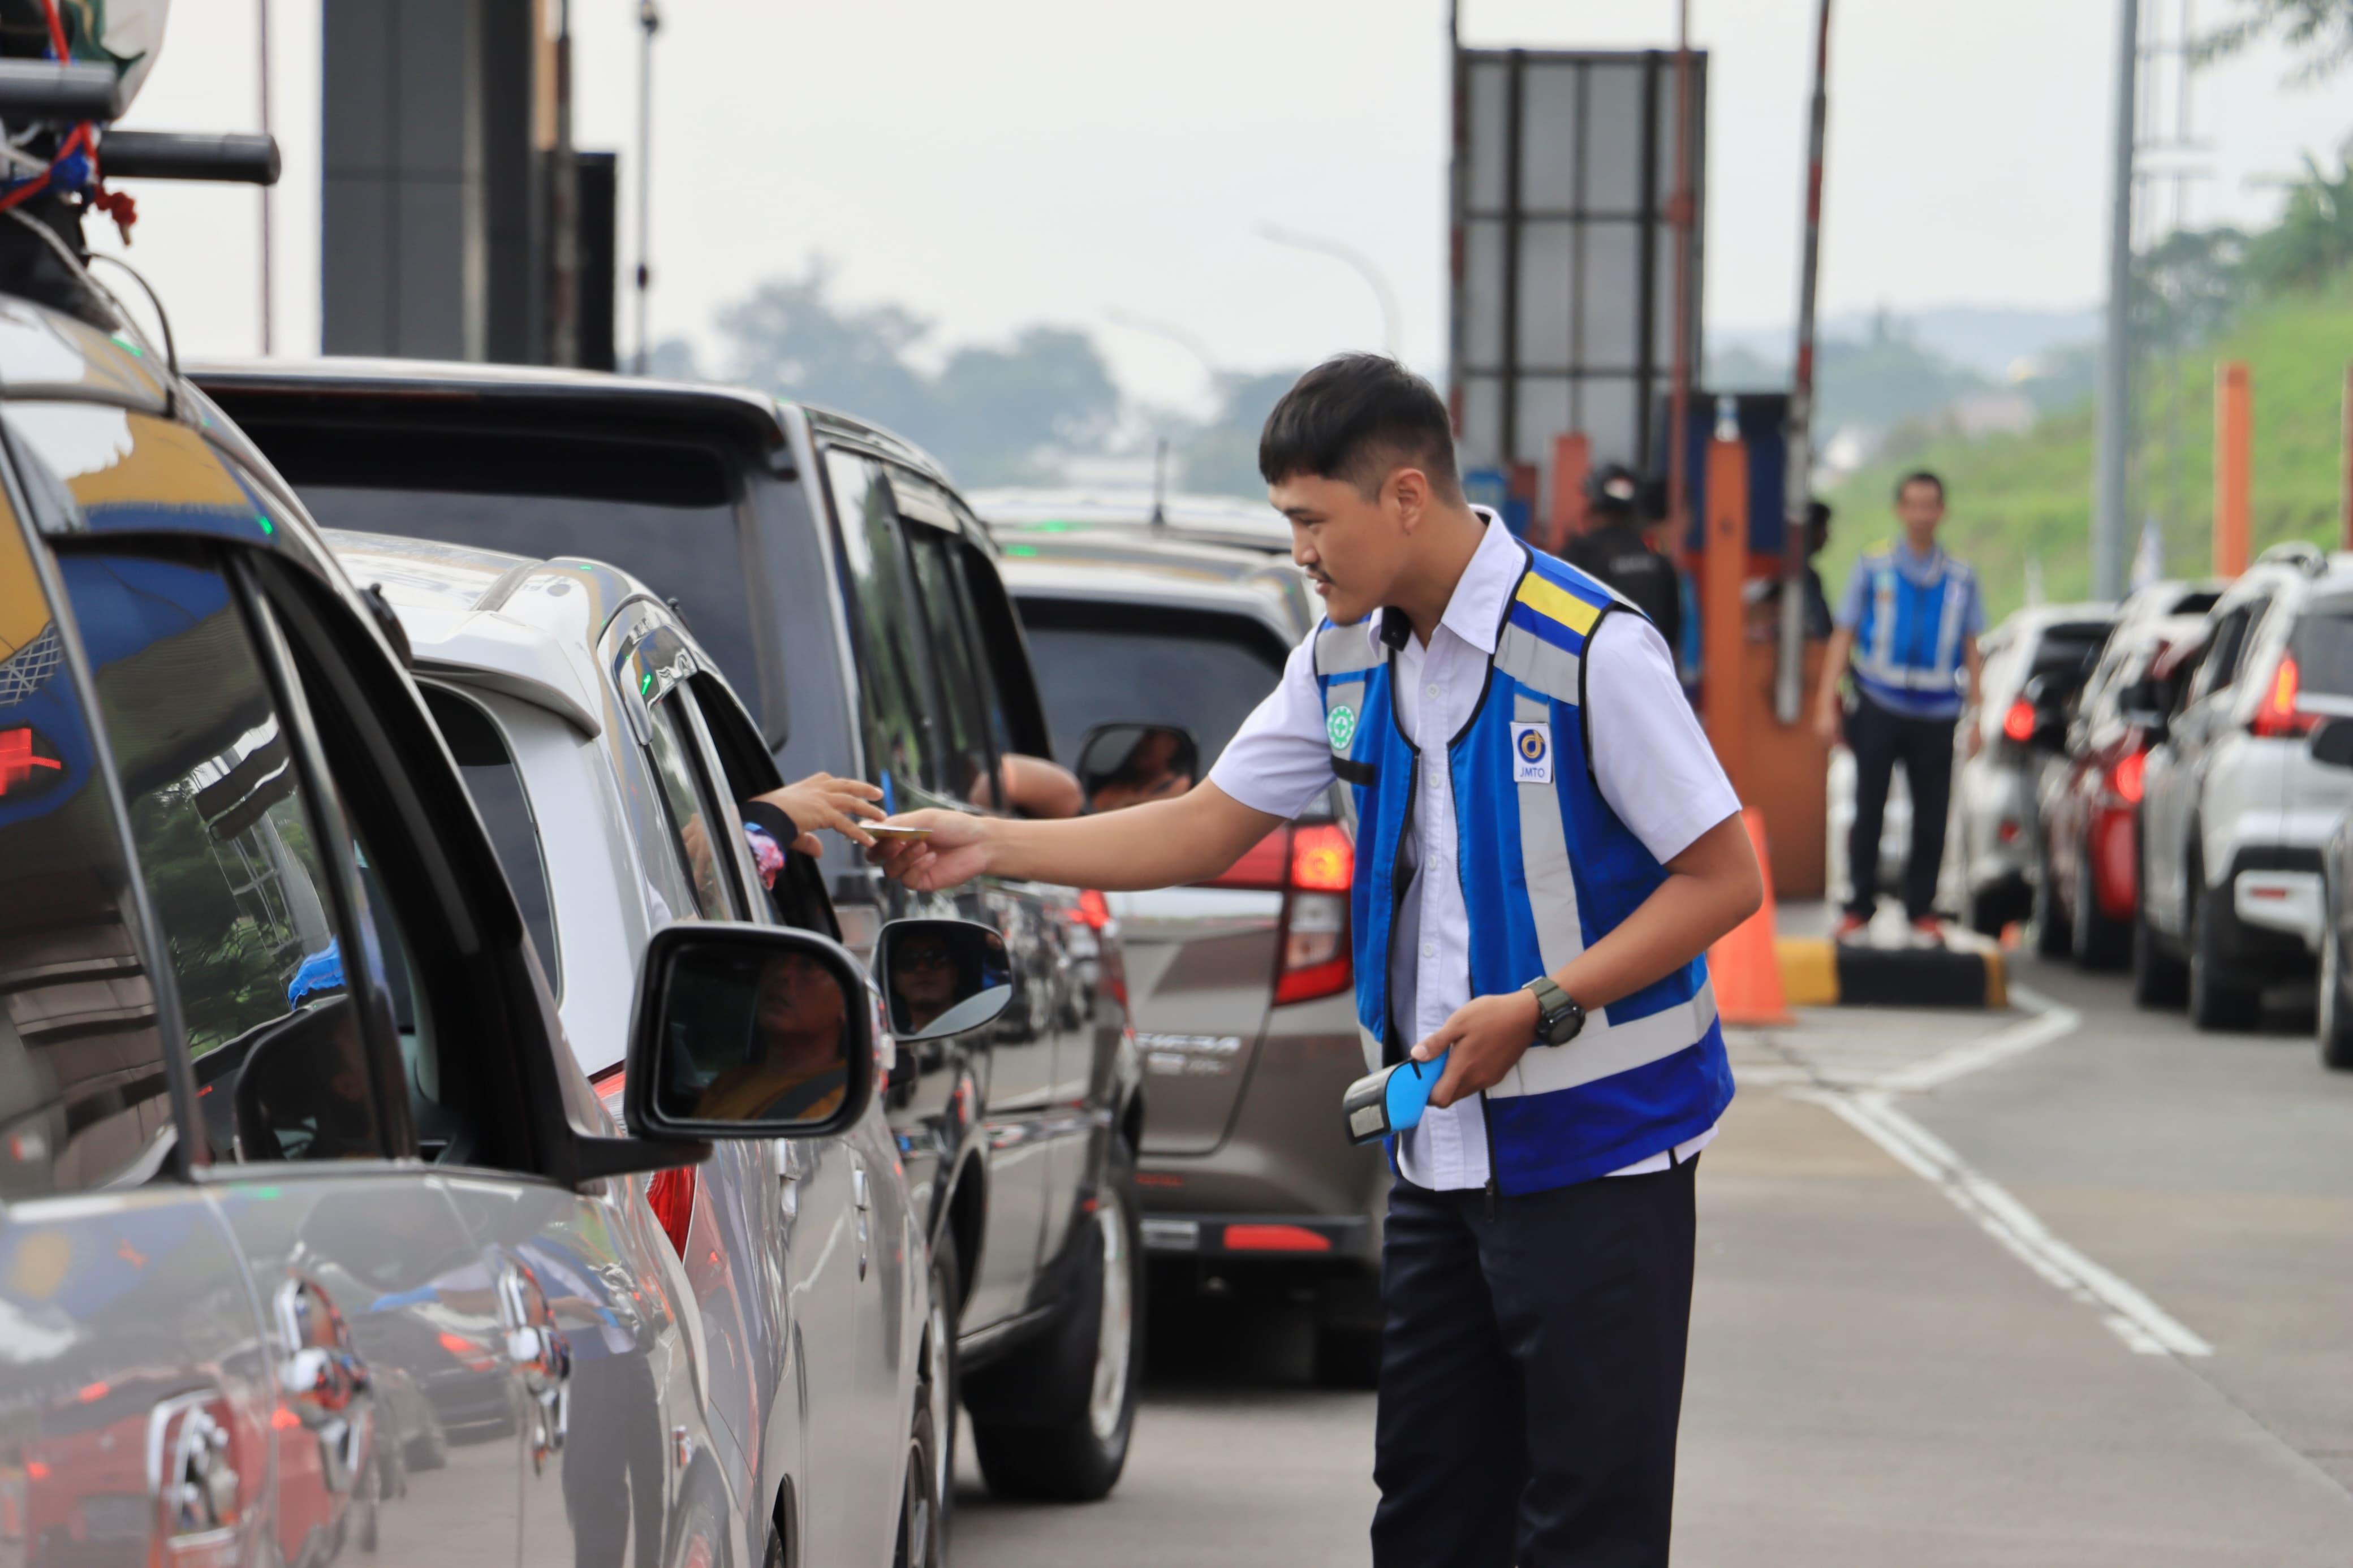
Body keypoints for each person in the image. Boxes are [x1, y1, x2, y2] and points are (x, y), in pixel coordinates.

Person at [869, 353, 1761, 1568]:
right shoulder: (1343, 659)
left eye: (1310, 520)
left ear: (1406, 496)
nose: (1299, 552)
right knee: (1427, 1516)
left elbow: (1722, 878)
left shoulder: (1589, 648)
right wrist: (988, 844)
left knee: (1587, 1523)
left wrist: (1543, 1005)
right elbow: (1200, 826)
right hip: (1438, 1158)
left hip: (1602, 1157)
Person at [1809, 470, 1985, 945]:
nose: (1922, 514)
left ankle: (1922, 909)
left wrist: (1978, 714)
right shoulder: (1873, 567)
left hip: (1937, 711)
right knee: (1869, 807)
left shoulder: (1961, 578)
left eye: (1930, 505)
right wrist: (1826, 702)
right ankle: (1858, 906)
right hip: (1879, 703)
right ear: (1900, 510)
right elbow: (1843, 634)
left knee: (1932, 814)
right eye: (1914, 504)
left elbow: (1972, 647)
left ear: (1942, 512)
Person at [1564, 461, 1683, 656]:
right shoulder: (1658, 561)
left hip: (1594, 667)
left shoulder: (1578, 555)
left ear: (1592, 507)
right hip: (1649, 666)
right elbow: (1672, 632)